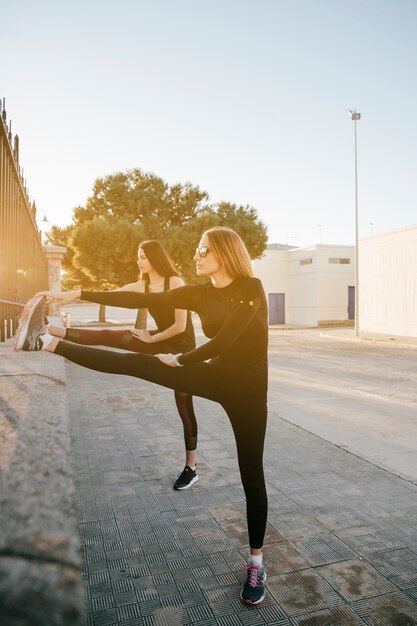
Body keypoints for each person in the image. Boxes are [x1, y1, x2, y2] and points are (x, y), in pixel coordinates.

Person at [17, 227, 269, 604]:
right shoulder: (200, 292)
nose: (196, 256)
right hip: (214, 372)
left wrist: (181, 358)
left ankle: (256, 563)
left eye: (203, 250)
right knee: (137, 363)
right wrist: (72, 292)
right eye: (197, 250)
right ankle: (47, 341)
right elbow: (132, 299)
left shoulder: (251, 288)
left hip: (248, 389)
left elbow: (226, 340)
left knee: (251, 471)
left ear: (224, 253)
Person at [23, 240, 200, 490]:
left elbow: (180, 326)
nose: (138, 261)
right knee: (112, 335)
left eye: (142, 256)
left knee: (184, 406)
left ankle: (191, 468)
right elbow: (112, 296)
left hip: (181, 349)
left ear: (155, 258)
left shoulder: (176, 282)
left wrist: (151, 337)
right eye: (137, 256)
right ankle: (47, 330)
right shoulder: (143, 285)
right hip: (157, 340)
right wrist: (70, 295)